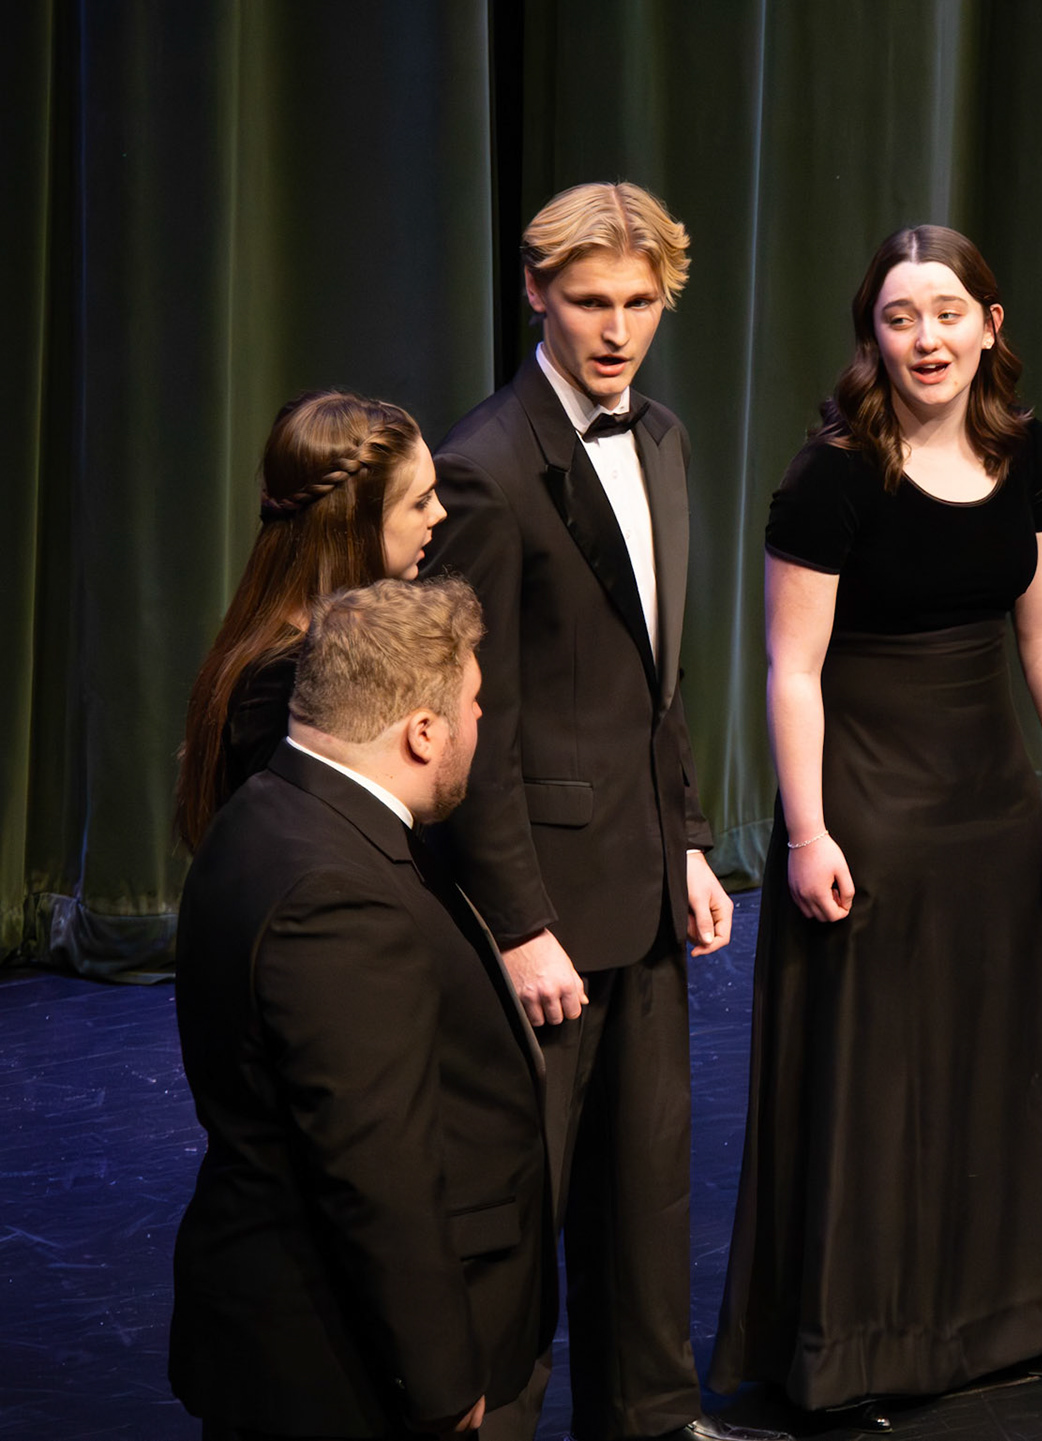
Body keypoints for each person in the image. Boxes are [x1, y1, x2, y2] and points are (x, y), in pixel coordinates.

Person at [709, 224, 1042, 1425]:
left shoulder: (1028, 454)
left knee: (994, 1054)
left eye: (947, 312)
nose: (926, 337)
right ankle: (860, 1343)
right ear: (871, 336)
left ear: (991, 324)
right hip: (870, 791)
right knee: (873, 1074)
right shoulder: (831, 471)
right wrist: (807, 830)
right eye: (900, 316)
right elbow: (792, 668)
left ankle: (1007, 1313)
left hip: (987, 791)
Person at [423, 183, 780, 1441]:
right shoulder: (481, 469)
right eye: (587, 302)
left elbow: (655, 682)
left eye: (637, 303)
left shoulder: (668, 437)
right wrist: (517, 922)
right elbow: (483, 730)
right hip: (541, 906)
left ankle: (652, 1415)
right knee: (524, 1199)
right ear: (536, 295)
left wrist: (687, 839)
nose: (613, 329)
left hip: (641, 879)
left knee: (647, 1185)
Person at [170, 577, 553, 1439]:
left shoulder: (266, 814)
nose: (481, 722)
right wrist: (443, 1377)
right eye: (475, 702)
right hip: (346, 1367)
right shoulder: (339, 896)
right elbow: (377, 1168)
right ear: (423, 731)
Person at [176, 390, 446, 852]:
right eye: (420, 502)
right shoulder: (280, 686)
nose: (439, 513)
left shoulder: (312, 653)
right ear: (355, 522)